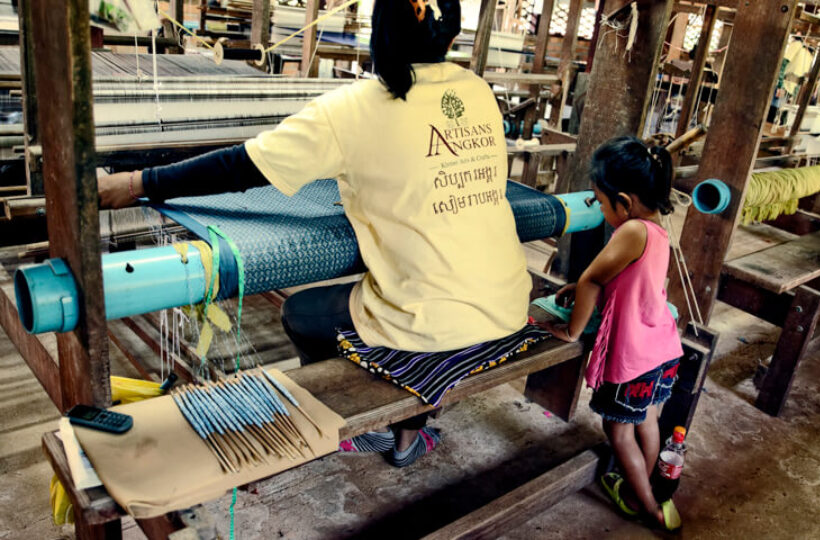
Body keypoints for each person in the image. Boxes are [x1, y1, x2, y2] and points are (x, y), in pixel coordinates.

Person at [98, 0, 532, 468]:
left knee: (301, 312)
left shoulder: (353, 109)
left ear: (378, 32)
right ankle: (409, 437)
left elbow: (242, 166)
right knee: (415, 290)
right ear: (450, 36)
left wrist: (137, 183)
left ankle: (356, 420)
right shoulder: (477, 91)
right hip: (506, 303)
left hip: (435, 323)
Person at [538, 136, 684, 529]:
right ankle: (644, 487)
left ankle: (648, 506)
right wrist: (584, 286)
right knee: (647, 421)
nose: (601, 211)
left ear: (624, 201)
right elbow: (628, 280)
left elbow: (592, 279)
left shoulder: (631, 231)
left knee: (618, 432)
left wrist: (571, 331)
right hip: (662, 350)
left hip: (633, 359)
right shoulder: (656, 229)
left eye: (601, 203)